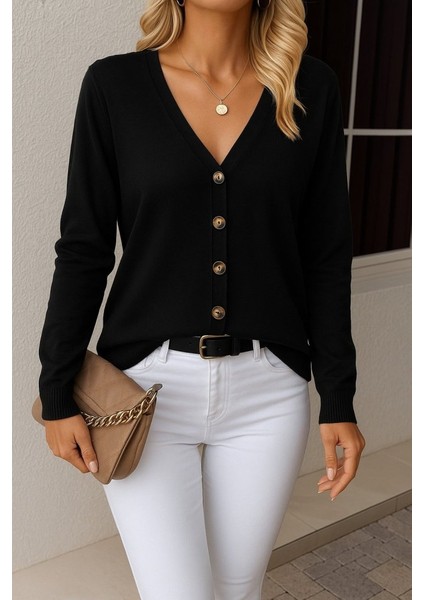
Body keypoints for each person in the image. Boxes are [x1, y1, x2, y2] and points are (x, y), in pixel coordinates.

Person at [38, 0, 366, 598]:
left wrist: (338, 396)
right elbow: (83, 249)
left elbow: (325, 255)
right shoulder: (114, 86)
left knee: (238, 591)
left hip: (269, 394)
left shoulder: (309, 86)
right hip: (144, 394)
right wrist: (56, 389)